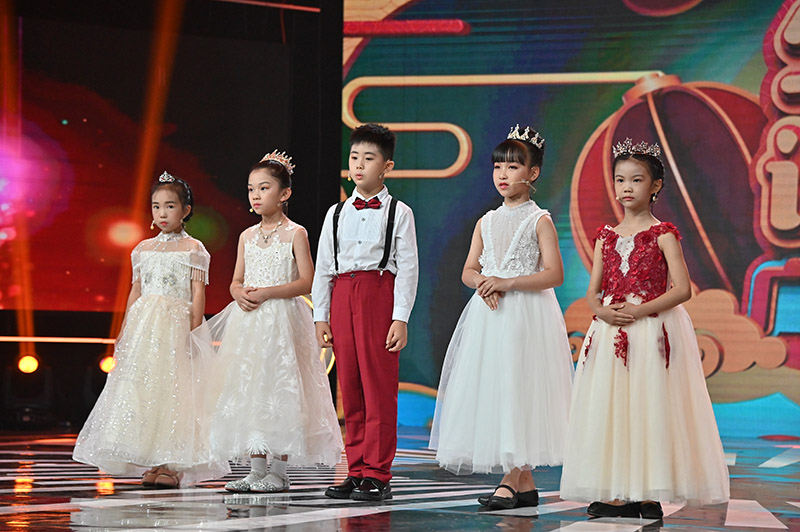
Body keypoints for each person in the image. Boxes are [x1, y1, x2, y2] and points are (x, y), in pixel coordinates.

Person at [560, 138, 730, 519]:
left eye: (636, 180)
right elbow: (593, 291)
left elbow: (682, 289)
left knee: (649, 405)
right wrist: (600, 312)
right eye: (620, 180)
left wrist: (640, 311)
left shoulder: (663, 233)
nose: (626, 188)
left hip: (651, 328)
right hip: (610, 331)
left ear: (655, 185)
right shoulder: (606, 237)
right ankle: (618, 492)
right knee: (614, 407)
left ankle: (649, 492)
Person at [429, 125, 574, 510]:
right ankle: (524, 485)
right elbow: (468, 270)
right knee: (498, 390)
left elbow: (554, 274)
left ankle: (511, 480)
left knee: (519, 390)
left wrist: (506, 282)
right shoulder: (487, 221)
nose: (503, 174)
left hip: (526, 315)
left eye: (513, 166)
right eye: (498, 167)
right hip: (489, 316)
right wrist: (484, 283)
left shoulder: (539, 220)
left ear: (533, 172)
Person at [73, 171, 228, 488]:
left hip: (176, 325)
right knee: (144, 391)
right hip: (146, 328)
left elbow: (197, 293)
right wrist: (126, 328)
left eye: (170, 206)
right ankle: (152, 461)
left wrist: (194, 331)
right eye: (156, 206)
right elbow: (136, 290)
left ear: (185, 210)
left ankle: (171, 464)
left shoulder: (194, 248)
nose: (162, 213)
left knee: (175, 392)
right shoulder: (142, 249)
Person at [207, 151, 342, 493]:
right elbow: (235, 280)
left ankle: (279, 472)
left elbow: (307, 281)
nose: (255, 195)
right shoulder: (246, 236)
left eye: (264, 188)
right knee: (252, 389)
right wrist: (238, 293)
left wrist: (268, 293)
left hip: (282, 319)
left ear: (284, 193)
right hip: (249, 322)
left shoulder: (296, 233)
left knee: (281, 389)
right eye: (251, 189)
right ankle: (256, 470)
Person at [312, 124, 419, 501]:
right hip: (343, 293)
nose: (358, 165)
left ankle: (377, 473)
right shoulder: (336, 212)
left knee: (379, 389)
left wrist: (400, 317)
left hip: (378, 293)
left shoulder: (399, 212)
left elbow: (408, 268)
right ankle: (355, 470)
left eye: (368, 158)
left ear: (387, 166)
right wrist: (321, 316)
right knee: (351, 388)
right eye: (354, 157)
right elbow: (323, 267)